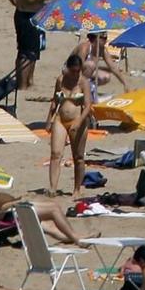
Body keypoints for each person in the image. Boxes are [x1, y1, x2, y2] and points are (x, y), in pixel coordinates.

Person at [2, 0, 50, 90]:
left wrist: (14, 0)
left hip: (36, 15)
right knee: (25, 51)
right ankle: (22, 85)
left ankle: (30, 81)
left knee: (35, 50)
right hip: (26, 15)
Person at [45, 53, 93, 196]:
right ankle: (53, 187)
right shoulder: (61, 80)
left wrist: (79, 122)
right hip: (60, 119)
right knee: (55, 154)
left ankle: (77, 189)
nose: (75, 74)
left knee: (78, 156)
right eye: (73, 71)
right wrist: (49, 120)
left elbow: (88, 105)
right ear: (68, 68)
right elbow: (55, 101)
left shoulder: (83, 82)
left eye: (78, 71)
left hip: (77, 119)